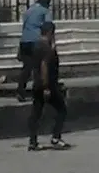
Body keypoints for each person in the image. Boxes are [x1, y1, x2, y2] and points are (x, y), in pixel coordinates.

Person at [28, 21, 69, 151]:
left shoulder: (36, 46)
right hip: (47, 85)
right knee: (62, 109)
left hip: (37, 83)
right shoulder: (46, 48)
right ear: (51, 32)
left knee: (36, 113)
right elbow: (44, 66)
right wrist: (46, 86)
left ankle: (33, 141)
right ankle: (56, 137)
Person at [16, 0, 53, 100]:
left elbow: (24, 27)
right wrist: (50, 43)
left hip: (24, 41)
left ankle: (20, 90)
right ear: (46, 3)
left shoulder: (28, 11)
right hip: (37, 41)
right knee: (39, 67)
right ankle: (38, 91)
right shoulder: (45, 11)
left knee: (26, 68)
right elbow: (48, 26)